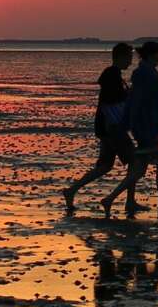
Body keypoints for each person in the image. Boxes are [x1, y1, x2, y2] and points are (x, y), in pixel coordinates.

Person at [62, 43, 144, 216]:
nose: (130, 61)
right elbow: (110, 101)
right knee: (136, 162)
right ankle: (126, 201)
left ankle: (72, 190)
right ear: (120, 57)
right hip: (113, 128)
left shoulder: (114, 75)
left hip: (108, 128)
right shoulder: (111, 74)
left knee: (105, 166)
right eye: (128, 57)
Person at [102, 41, 158, 220]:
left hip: (144, 128)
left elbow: (134, 101)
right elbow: (140, 103)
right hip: (146, 129)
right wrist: (141, 126)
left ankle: (113, 199)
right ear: (152, 55)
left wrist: (129, 123)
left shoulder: (143, 73)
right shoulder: (148, 74)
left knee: (141, 170)